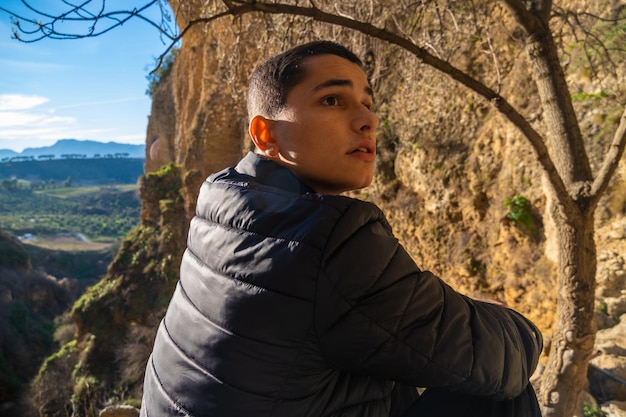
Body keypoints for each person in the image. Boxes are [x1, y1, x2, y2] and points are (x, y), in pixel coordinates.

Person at [140, 40, 543, 417]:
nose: (368, 119)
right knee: (500, 392)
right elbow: (498, 359)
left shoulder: (221, 201)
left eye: (367, 103)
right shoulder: (331, 237)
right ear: (266, 134)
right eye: (332, 100)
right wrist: (505, 320)